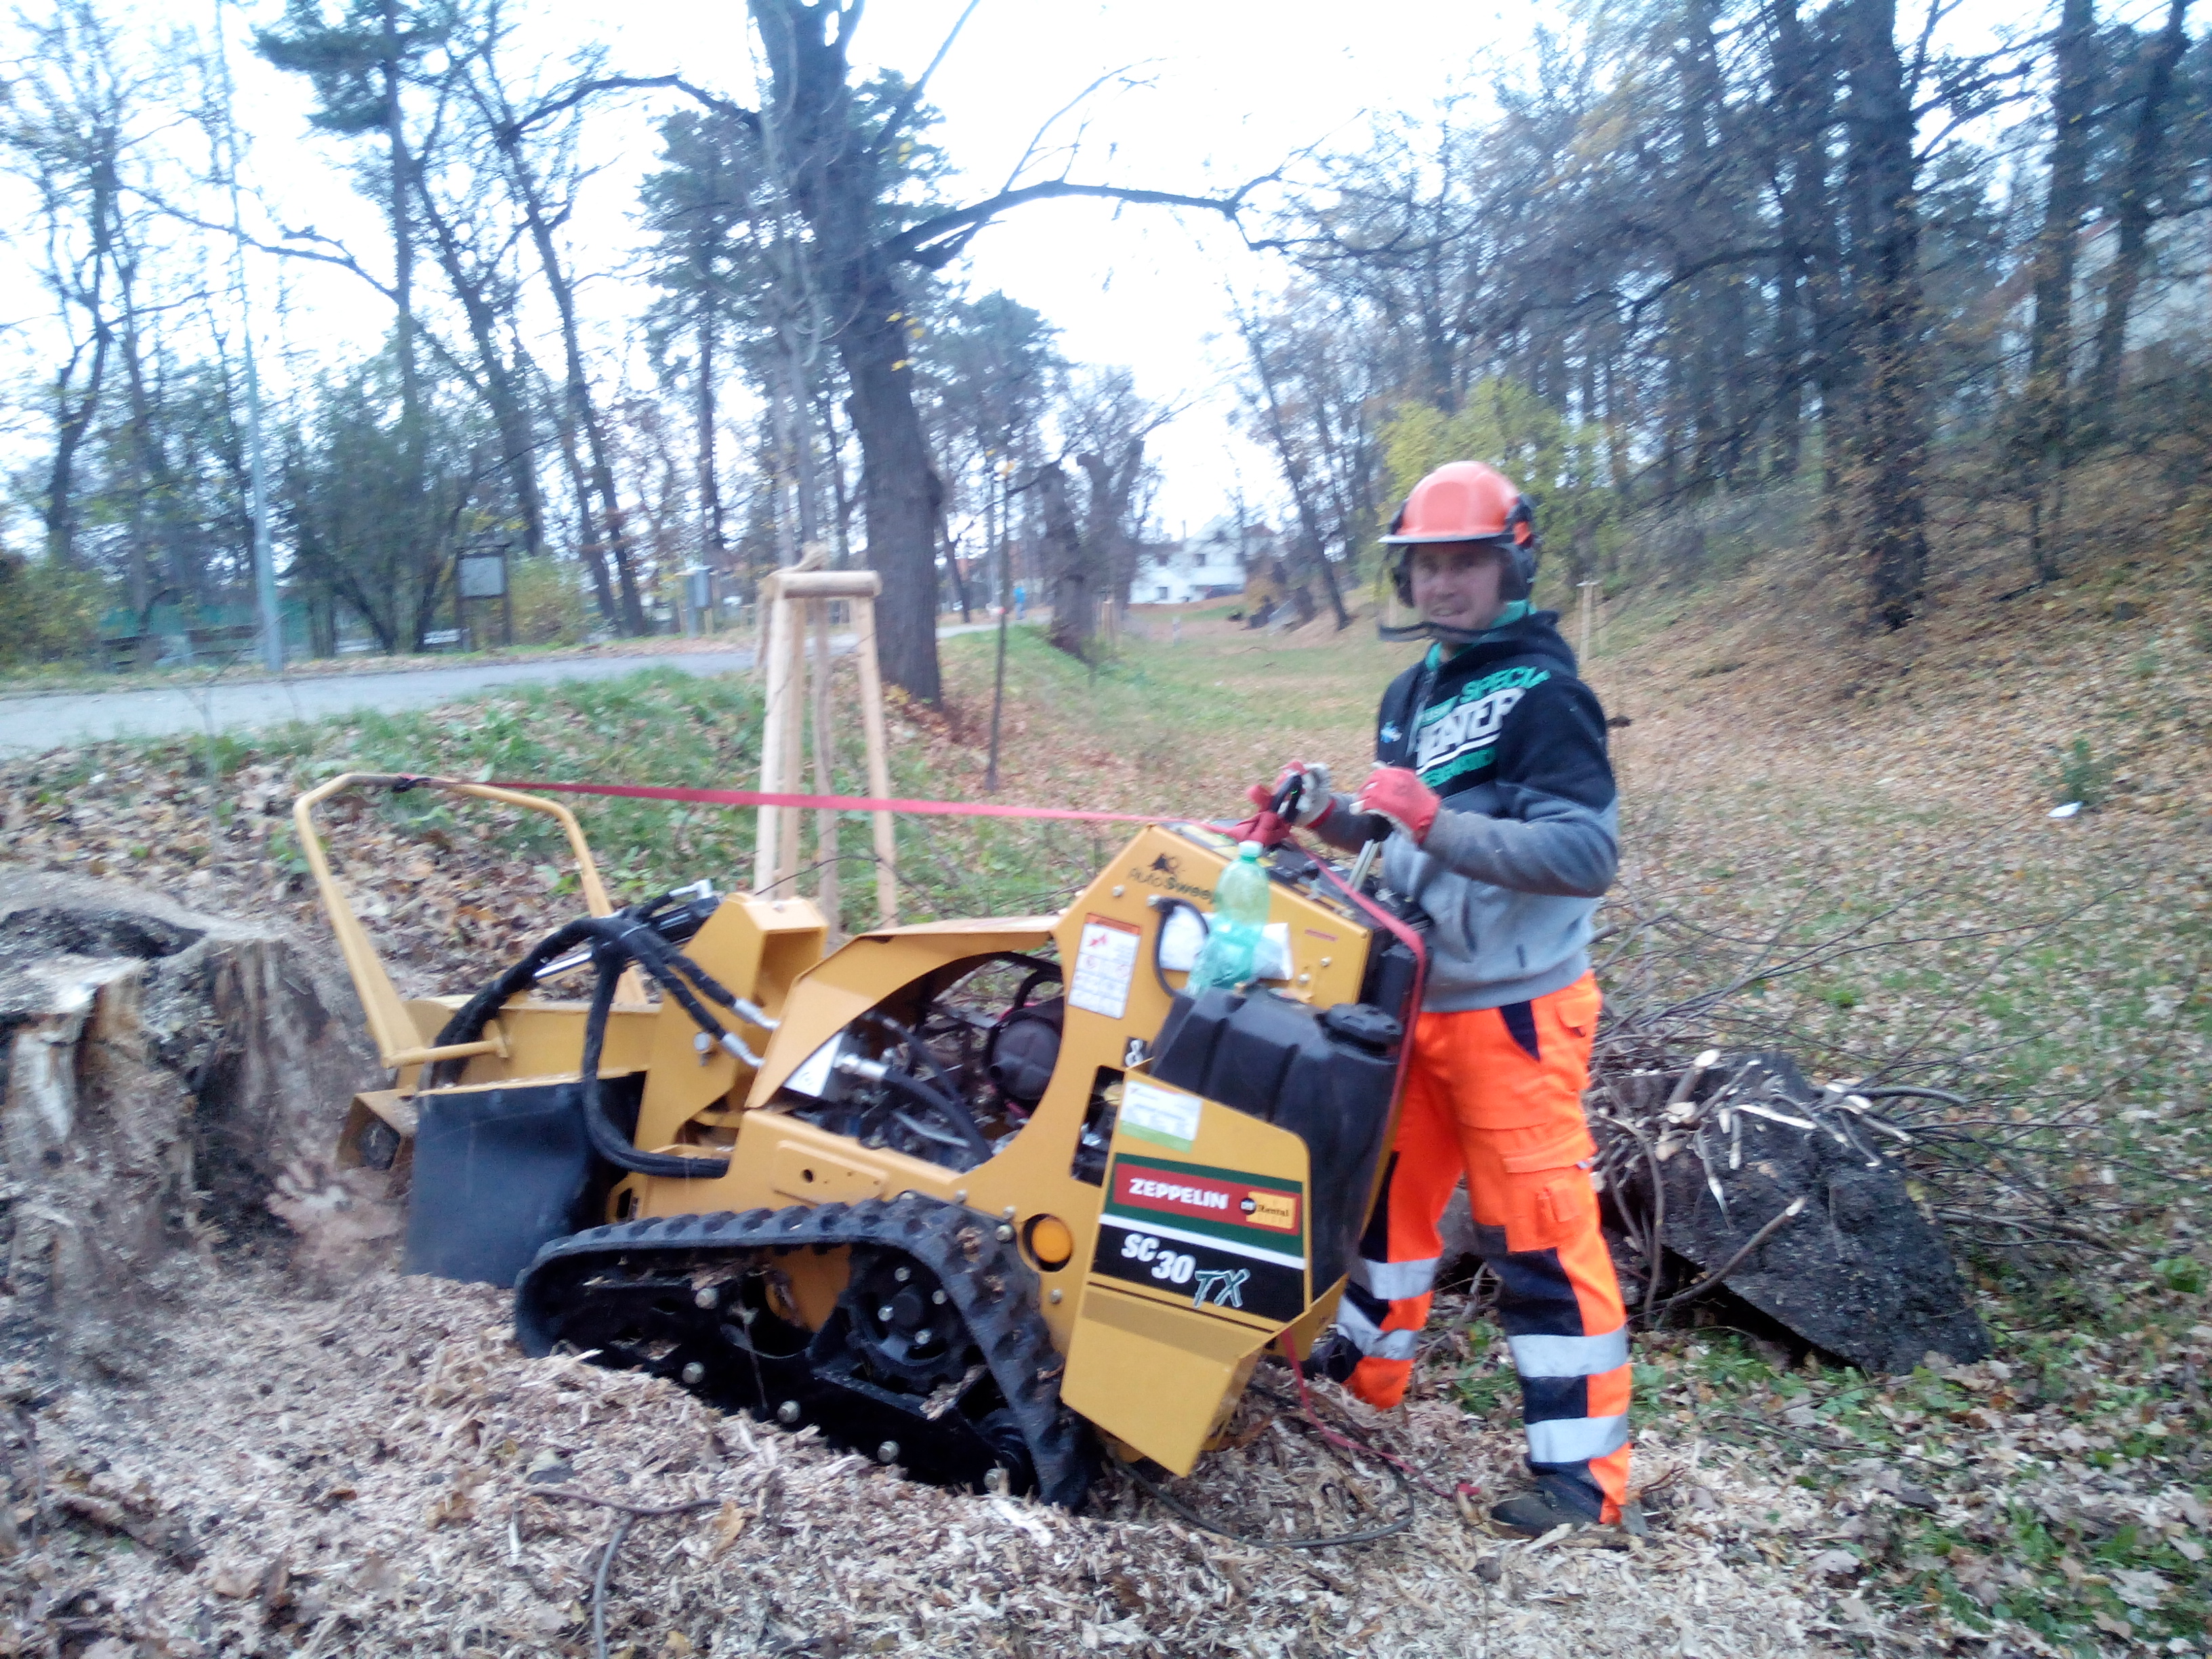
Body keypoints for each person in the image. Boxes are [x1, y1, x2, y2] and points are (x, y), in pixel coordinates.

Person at [1254, 459, 1633, 1536]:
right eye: (1425, 564)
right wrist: (1320, 812)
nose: (1443, 582)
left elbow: (1584, 851)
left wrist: (1439, 825)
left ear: (1510, 561)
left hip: (1515, 1009)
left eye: (1465, 560)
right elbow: (1389, 825)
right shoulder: (1416, 688)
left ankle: (1582, 1481)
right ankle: (1369, 1370)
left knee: (1541, 1237)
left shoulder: (1548, 695)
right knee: (1389, 1207)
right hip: (1412, 994)